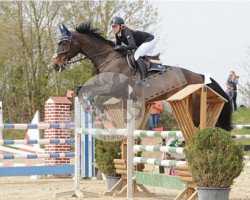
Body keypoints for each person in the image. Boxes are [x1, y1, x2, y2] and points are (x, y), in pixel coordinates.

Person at [110, 16, 157, 87]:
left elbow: (133, 46)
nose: (113, 28)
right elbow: (118, 47)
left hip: (149, 40)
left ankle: (145, 79)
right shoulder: (117, 35)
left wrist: (121, 47)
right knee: (133, 55)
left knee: (137, 55)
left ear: (121, 26)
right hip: (141, 44)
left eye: (115, 26)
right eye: (112, 26)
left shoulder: (126, 31)